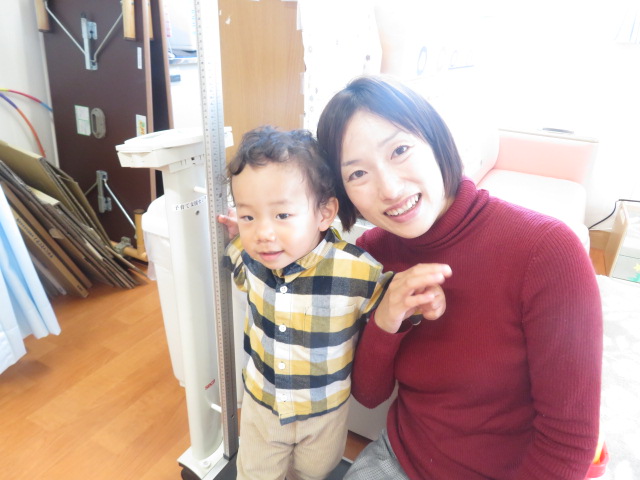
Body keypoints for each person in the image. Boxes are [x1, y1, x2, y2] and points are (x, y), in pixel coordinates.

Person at [316, 75, 603, 480]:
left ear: (436, 141)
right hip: (400, 459)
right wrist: (386, 319)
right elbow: (369, 394)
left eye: (400, 150)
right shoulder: (373, 254)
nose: (389, 189)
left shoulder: (547, 251)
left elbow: (568, 442)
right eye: (358, 174)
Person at [218, 126, 448, 480]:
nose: (262, 233)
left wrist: (423, 301)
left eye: (282, 215)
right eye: (249, 216)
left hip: (325, 411)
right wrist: (237, 232)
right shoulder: (250, 258)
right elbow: (235, 258)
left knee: (316, 472)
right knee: (255, 473)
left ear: (324, 214)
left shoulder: (356, 268)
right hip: (263, 404)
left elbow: (391, 304)